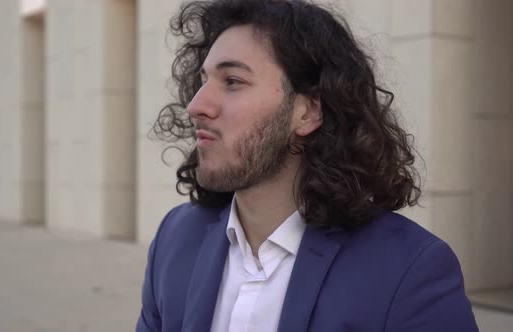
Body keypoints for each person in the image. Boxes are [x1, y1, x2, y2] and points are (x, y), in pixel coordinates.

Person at [136, 0, 478, 331]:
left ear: (309, 111)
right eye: (203, 81)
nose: (197, 105)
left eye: (233, 82)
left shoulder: (409, 272)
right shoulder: (176, 239)